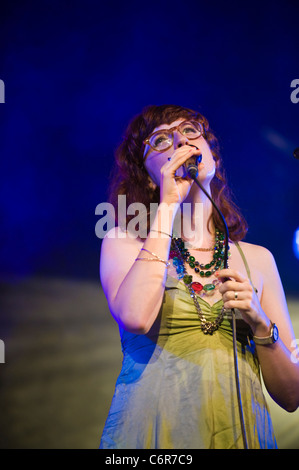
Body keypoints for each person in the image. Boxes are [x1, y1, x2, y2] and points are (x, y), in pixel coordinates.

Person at [99, 104, 299, 449]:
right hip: (152, 434)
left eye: (191, 131)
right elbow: (134, 317)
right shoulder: (124, 242)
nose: (180, 141)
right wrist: (168, 204)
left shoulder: (258, 259)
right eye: (161, 139)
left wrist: (261, 325)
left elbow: (292, 396)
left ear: (213, 158)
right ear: (147, 174)